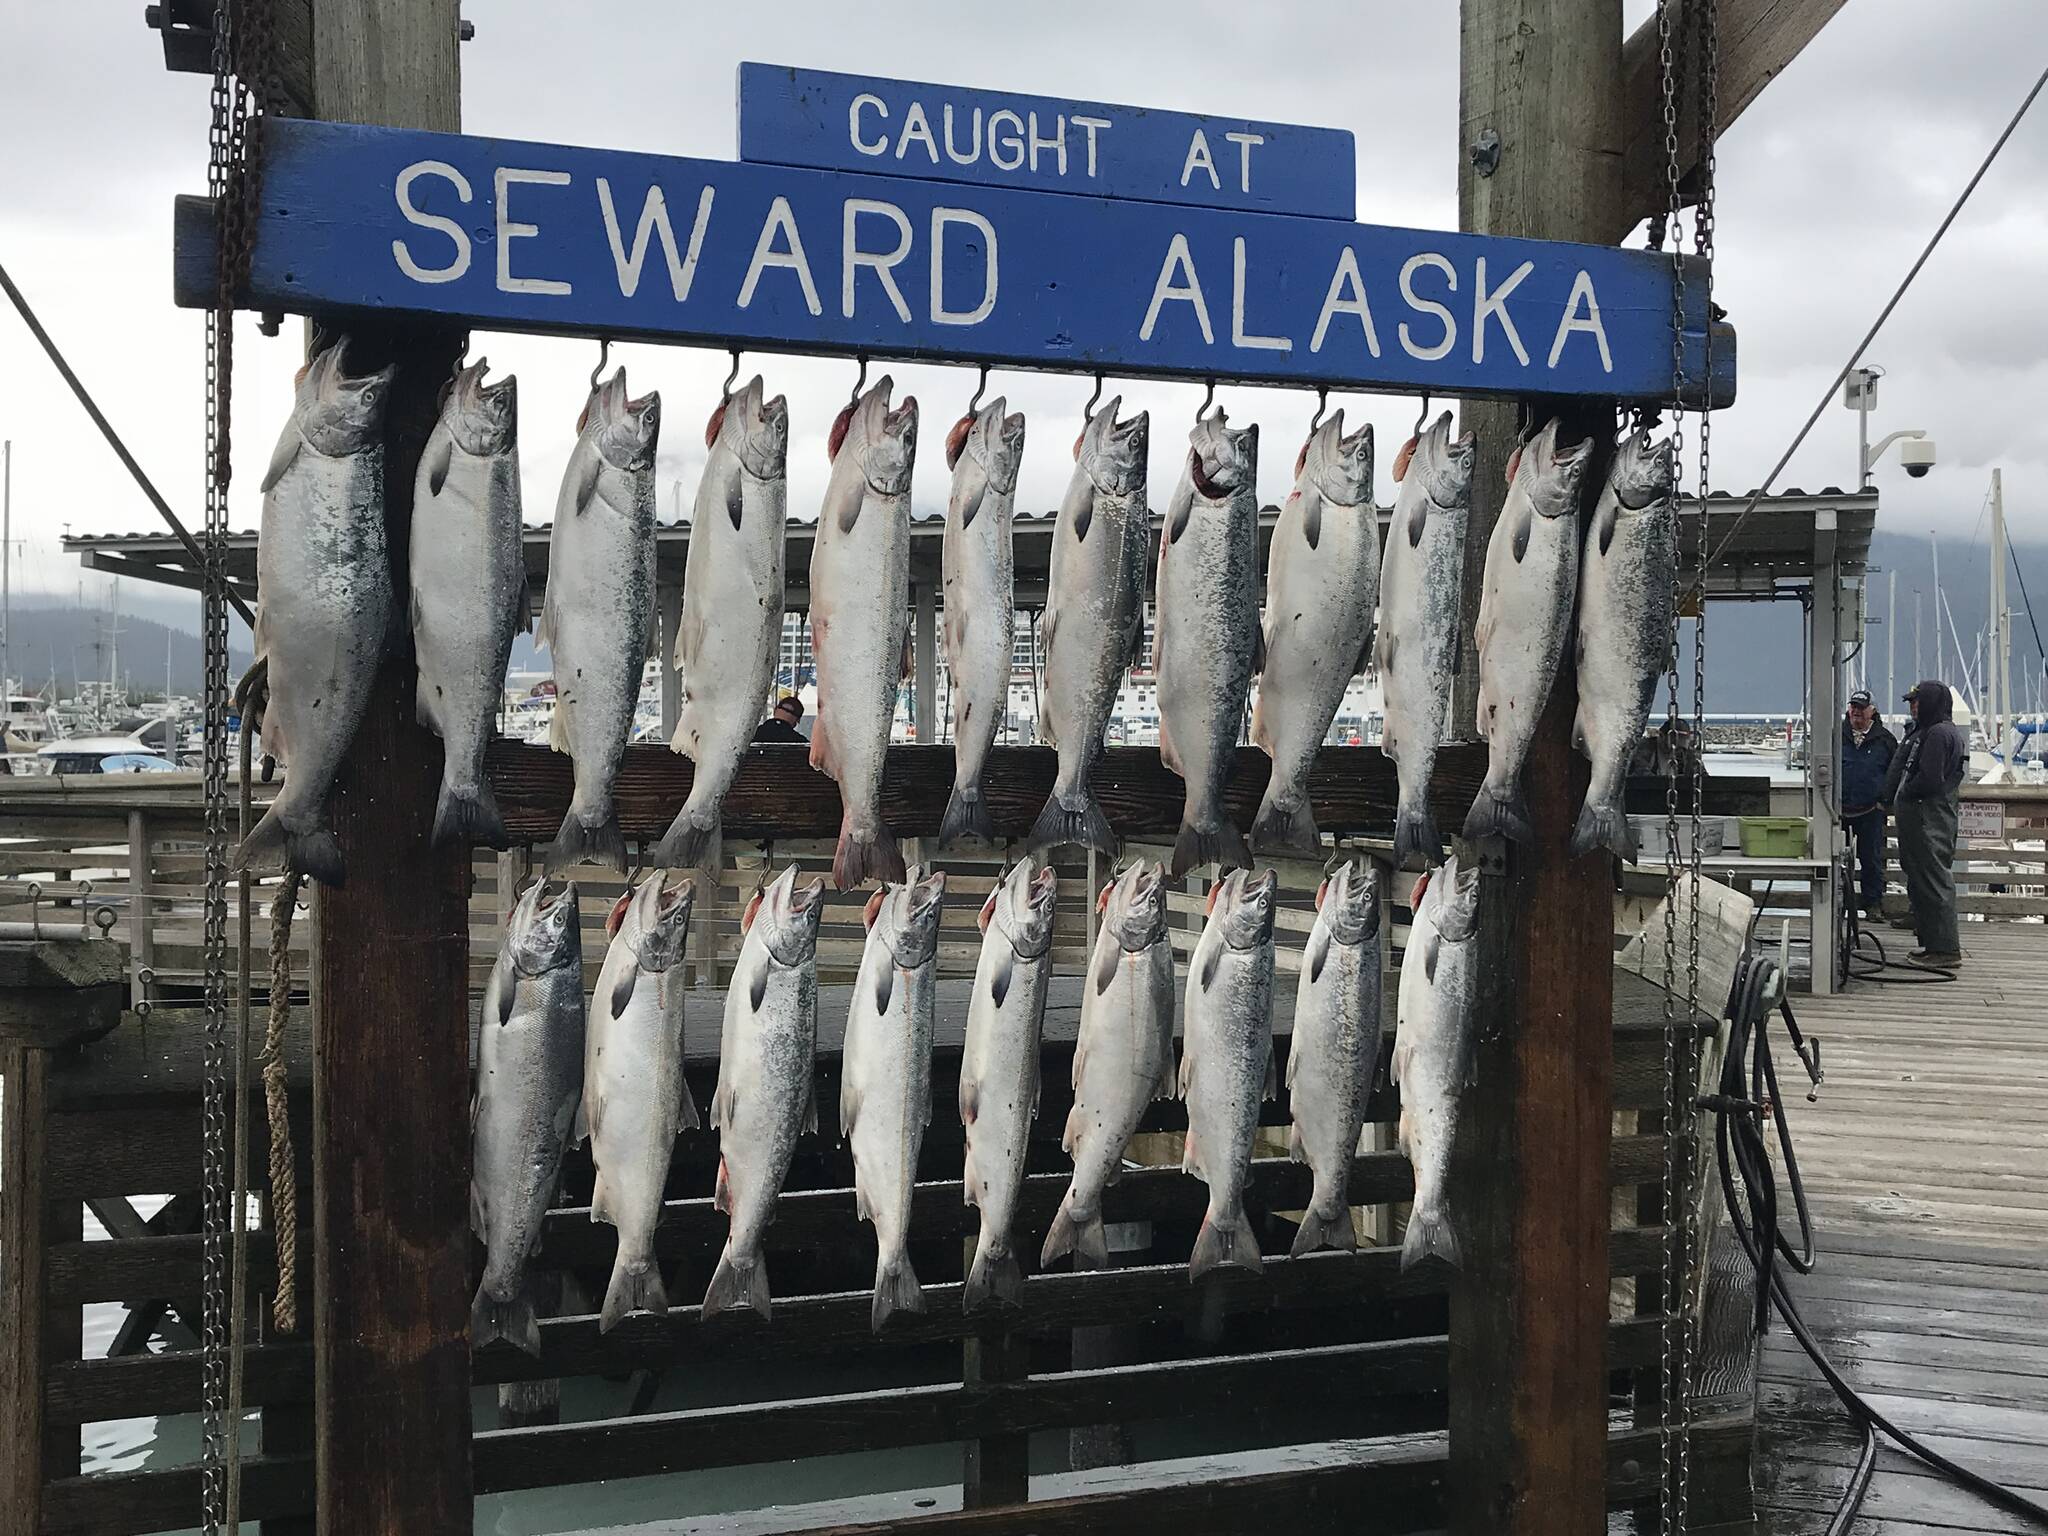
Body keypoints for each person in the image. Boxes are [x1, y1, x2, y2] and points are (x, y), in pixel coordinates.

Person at [1890, 680, 1966, 968]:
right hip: (1927, 819)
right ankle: (1933, 943)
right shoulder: (1943, 731)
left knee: (1934, 882)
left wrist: (1906, 792)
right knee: (1925, 880)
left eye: (1918, 701)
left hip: (1928, 820)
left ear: (1932, 702)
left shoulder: (1937, 734)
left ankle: (1944, 950)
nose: (1914, 706)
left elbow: (1930, 779)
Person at [1839, 689, 1898, 920]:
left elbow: (1895, 773)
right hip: (1839, 811)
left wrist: (1885, 801)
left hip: (1871, 810)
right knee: (1837, 860)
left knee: (1871, 860)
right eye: (1853, 706)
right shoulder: (1836, 735)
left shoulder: (1885, 740)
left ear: (1872, 711)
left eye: (1861, 708)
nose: (1856, 711)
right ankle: (1839, 904)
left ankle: (1873, 904)